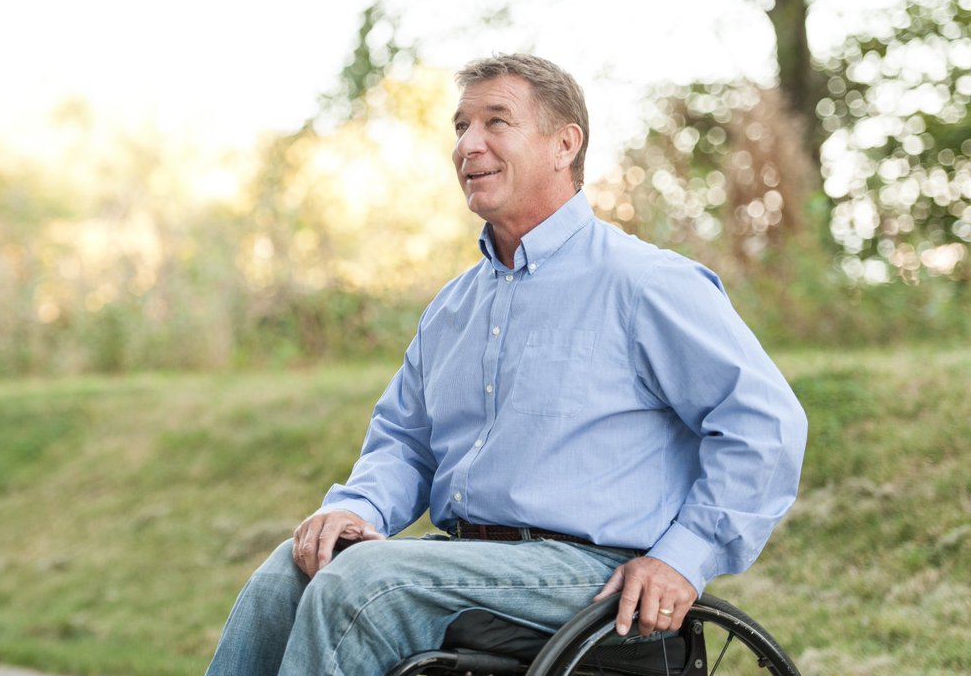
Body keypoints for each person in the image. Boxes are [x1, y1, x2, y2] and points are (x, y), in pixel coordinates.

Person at [205, 53, 807, 675]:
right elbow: (405, 444)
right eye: (460, 126)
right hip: (463, 558)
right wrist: (358, 509)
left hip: (588, 572)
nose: (470, 144)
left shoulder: (646, 284)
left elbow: (765, 424)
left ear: (563, 144)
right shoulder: (453, 309)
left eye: (497, 121)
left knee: (365, 583)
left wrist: (686, 556)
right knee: (292, 569)